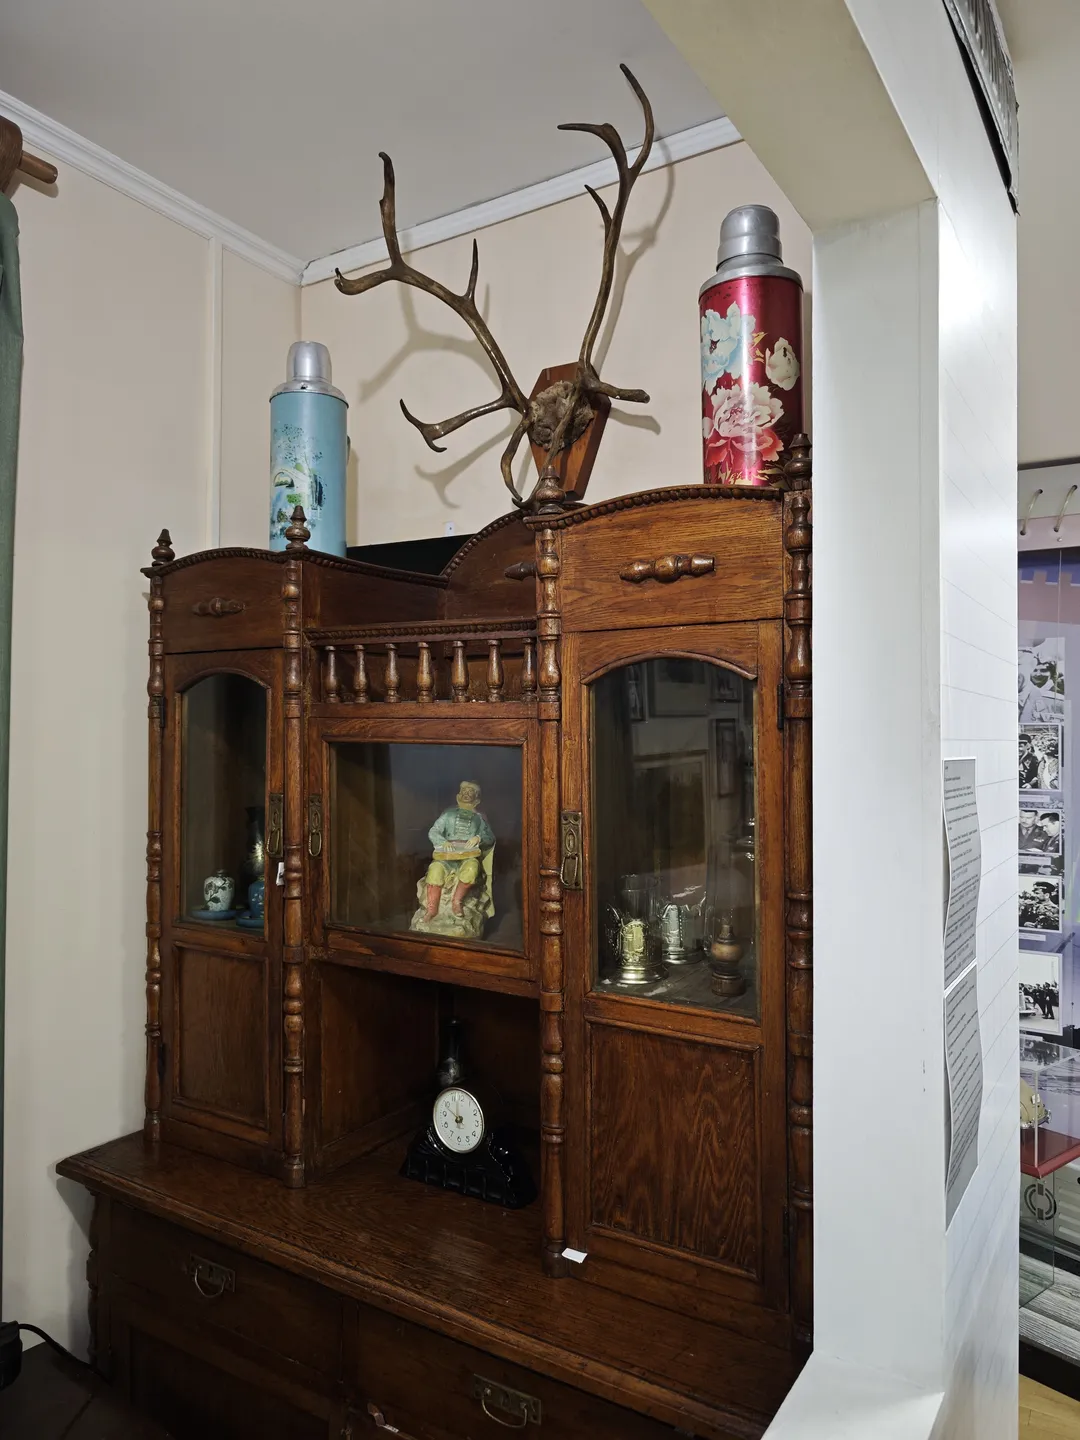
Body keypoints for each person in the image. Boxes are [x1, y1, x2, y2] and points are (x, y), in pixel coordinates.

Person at [422, 781, 495, 920]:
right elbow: (434, 831)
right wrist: (443, 842)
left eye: (470, 792)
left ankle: (457, 902)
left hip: (468, 857)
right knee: (435, 870)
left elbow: (490, 837)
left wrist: (478, 838)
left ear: (477, 799)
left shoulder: (479, 819)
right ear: (458, 795)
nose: (467, 794)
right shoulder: (448, 815)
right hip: (446, 858)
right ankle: (432, 909)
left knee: (471, 869)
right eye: (464, 791)